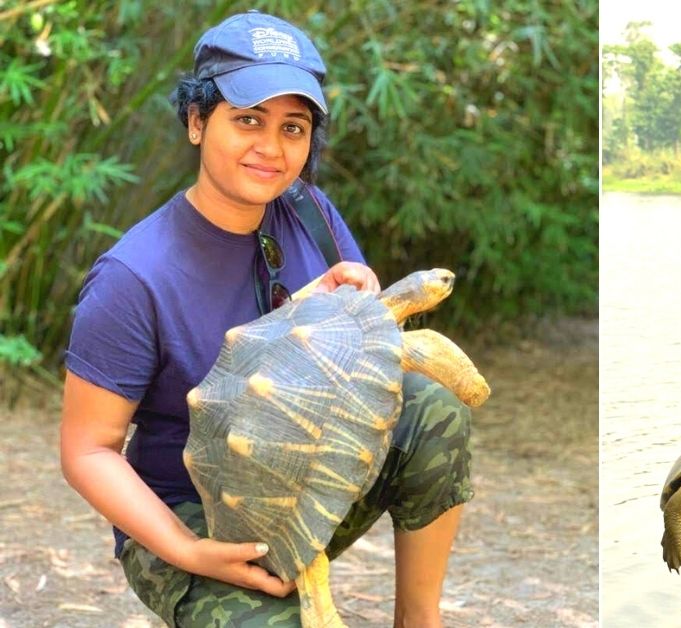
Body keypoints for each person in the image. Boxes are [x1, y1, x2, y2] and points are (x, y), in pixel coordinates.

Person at [59, 11, 472, 628]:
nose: (272, 148)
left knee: (434, 407)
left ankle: (419, 620)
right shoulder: (134, 276)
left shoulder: (309, 212)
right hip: (190, 509)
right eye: (248, 120)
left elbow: (365, 369)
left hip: (313, 468)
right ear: (198, 122)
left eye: (293, 127)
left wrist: (349, 307)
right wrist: (186, 549)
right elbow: (87, 450)